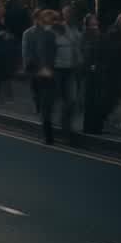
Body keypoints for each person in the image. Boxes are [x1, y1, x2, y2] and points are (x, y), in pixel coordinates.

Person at [30, 9, 78, 145]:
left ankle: (66, 130)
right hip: (51, 72)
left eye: (57, 19)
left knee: (70, 101)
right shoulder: (44, 34)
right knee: (48, 104)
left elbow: (74, 45)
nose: (55, 22)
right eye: (52, 20)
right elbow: (40, 52)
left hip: (68, 70)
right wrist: (43, 68)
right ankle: (48, 134)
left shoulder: (66, 30)